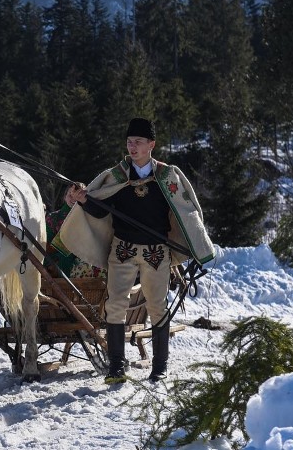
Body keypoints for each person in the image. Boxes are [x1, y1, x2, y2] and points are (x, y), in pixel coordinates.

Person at [61, 118, 214, 384]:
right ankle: (117, 367)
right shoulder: (117, 176)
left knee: (157, 306)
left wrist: (197, 245)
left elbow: (185, 211)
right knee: (115, 305)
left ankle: (160, 366)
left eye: (138, 142)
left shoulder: (167, 177)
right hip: (122, 249)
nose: (132, 147)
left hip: (157, 252)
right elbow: (101, 210)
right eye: (129, 142)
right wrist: (85, 200)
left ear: (151, 145)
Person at [45, 185, 105, 279]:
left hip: (86, 258)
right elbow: (46, 245)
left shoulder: (92, 217)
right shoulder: (53, 218)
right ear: (64, 197)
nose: (74, 198)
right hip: (58, 261)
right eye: (70, 195)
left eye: (78, 195)